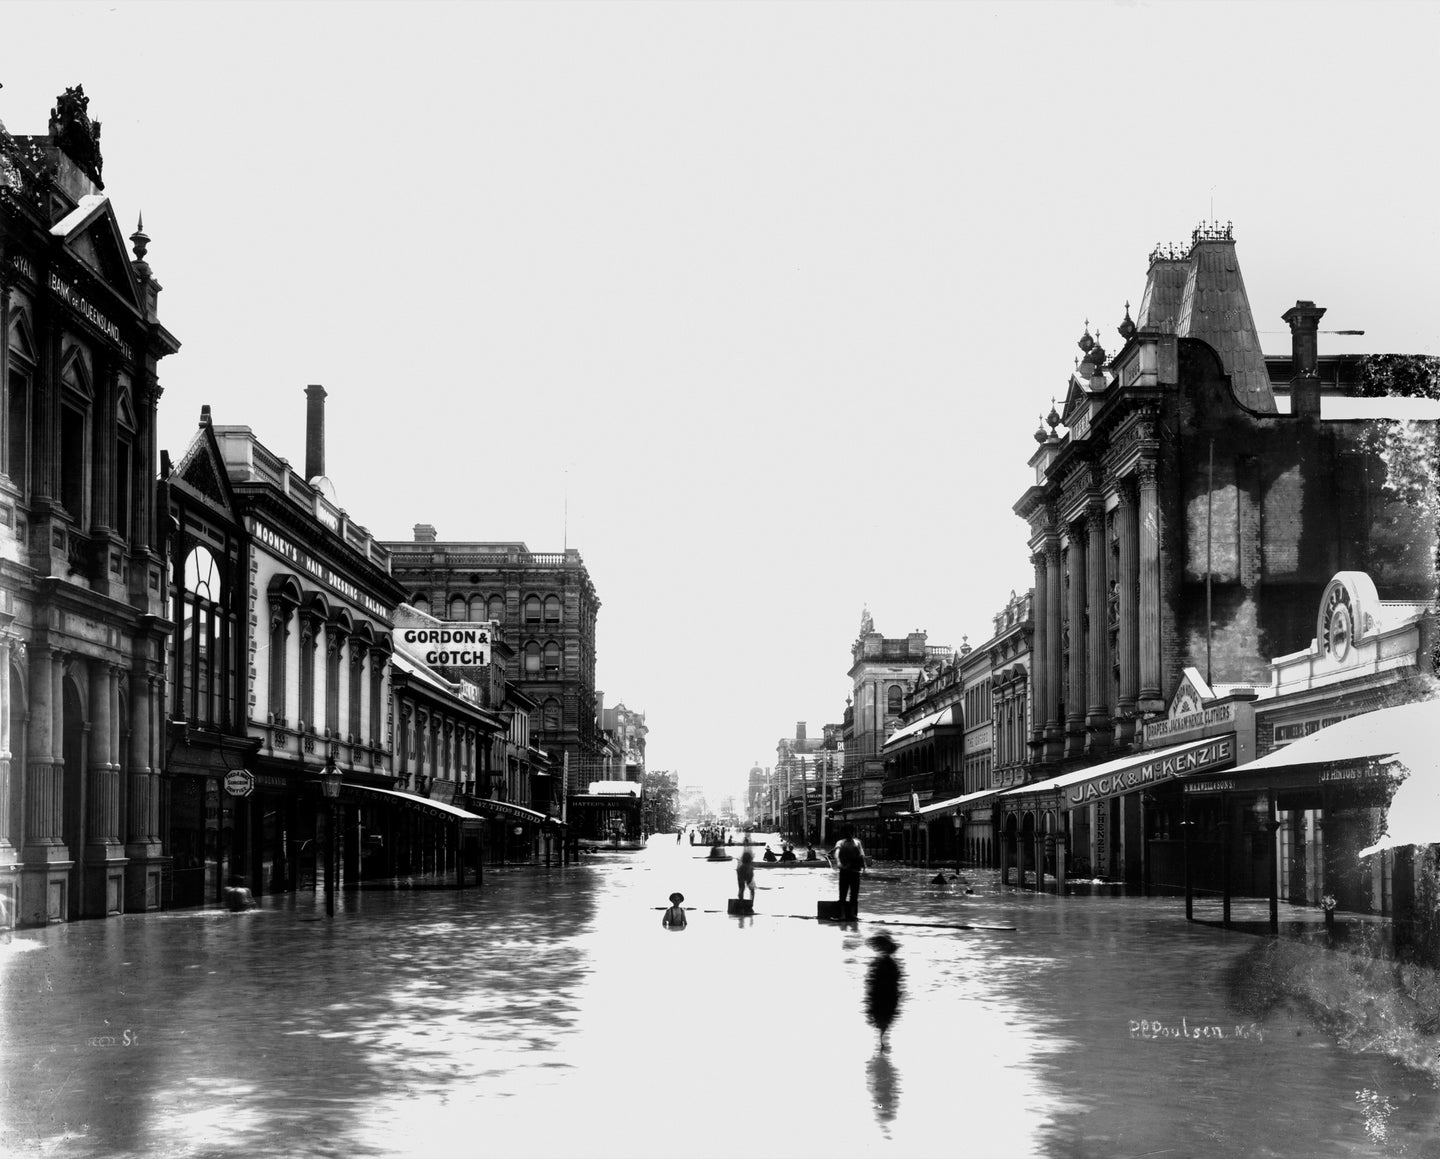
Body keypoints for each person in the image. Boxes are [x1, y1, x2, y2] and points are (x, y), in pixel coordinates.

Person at [864, 932, 903, 1051]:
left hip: (880, 995)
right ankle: (882, 1040)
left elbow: (871, 982)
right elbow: (895, 982)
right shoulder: (891, 964)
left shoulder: (878, 964)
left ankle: (881, 1040)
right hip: (888, 995)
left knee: (881, 1018)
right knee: (884, 1019)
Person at [834, 825, 866, 920]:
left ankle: (852, 914)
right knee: (843, 894)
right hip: (844, 871)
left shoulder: (857, 843)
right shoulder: (840, 842)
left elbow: (861, 855)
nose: (849, 833)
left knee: (854, 894)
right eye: (847, 831)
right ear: (844, 833)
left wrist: (864, 868)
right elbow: (837, 852)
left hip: (855, 871)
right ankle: (843, 915)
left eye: (850, 831)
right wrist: (839, 862)